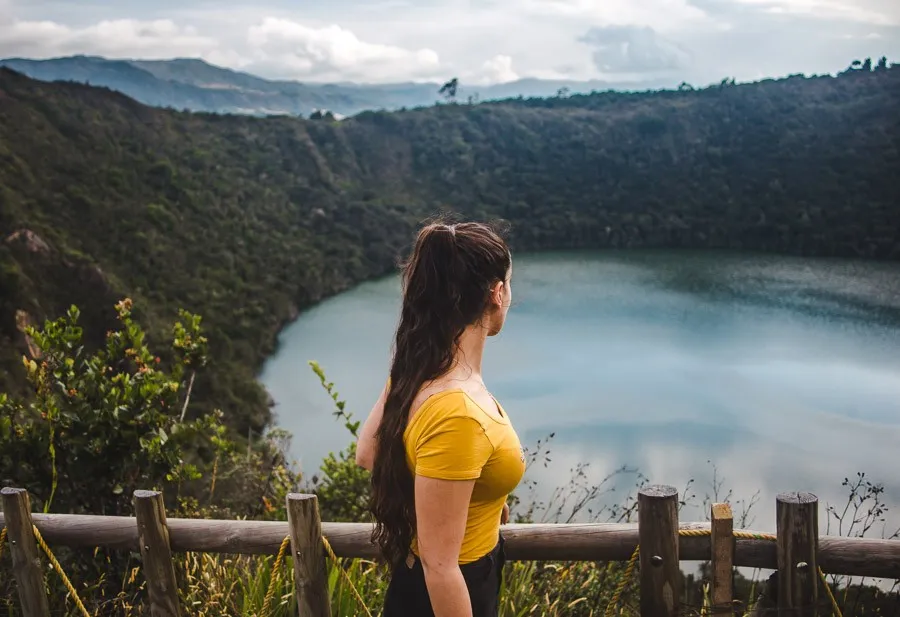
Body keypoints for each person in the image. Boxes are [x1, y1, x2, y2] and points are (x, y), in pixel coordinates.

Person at [355, 220, 525, 617]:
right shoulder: (459, 411)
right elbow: (441, 565)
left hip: (418, 584)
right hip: (452, 592)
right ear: (496, 294)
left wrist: (480, 495)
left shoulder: (418, 370)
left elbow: (368, 452)